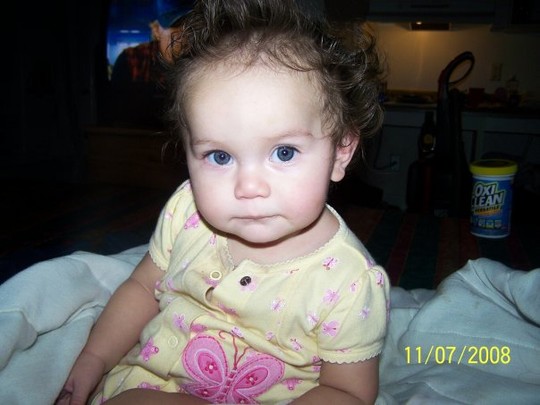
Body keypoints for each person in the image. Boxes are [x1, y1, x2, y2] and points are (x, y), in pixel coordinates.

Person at [57, 0, 389, 403]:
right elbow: (144, 287)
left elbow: (347, 392)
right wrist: (94, 357)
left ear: (340, 151)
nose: (248, 186)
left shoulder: (349, 281)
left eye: (284, 152)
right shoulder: (187, 212)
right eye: (219, 156)